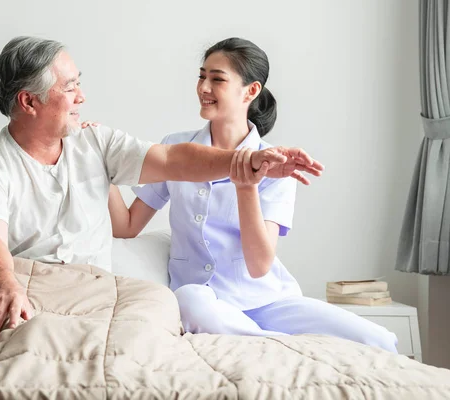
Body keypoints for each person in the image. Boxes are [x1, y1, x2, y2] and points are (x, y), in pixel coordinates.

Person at [0, 36, 320, 343]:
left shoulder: (95, 141)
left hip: (97, 295)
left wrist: (245, 165)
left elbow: (173, 159)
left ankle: (285, 346)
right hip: (31, 291)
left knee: (159, 309)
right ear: (29, 102)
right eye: (70, 88)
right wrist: (5, 284)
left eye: (78, 84)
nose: (82, 97)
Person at [108, 37, 397, 353]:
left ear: (251, 91)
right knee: (188, 301)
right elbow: (128, 226)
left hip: (267, 300)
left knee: (380, 340)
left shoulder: (276, 165)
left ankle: (268, 340)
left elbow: (259, 266)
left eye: (216, 79)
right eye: (201, 76)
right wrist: (100, 163)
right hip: (206, 299)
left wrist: (247, 186)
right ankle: (290, 350)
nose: (204, 87)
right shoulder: (175, 149)